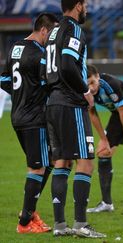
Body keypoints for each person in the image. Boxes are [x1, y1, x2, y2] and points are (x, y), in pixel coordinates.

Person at [45, 0, 105, 238]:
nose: (87, 9)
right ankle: (81, 223)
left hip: (53, 102)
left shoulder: (53, 32)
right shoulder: (73, 29)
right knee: (86, 161)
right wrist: (85, 92)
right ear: (78, 5)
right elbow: (69, 66)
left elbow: (47, 69)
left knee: (62, 162)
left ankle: (60, 225)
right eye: (86, 4)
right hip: (71, 103)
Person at [0, 12, 59, 234]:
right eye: (52, 32)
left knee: (49, 159)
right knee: (38, 166)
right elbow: (47, 84)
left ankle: (31, 211)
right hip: (35, 117)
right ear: (43, 30)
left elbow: (4, 79)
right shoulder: (41, 54)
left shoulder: (15, 48)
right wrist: (33, 96)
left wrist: (21, 95)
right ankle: (24, 221)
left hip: (18, 115)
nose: (53, 37)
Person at [85, 64, 123, 215]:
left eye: (92, 82)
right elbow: (92, 114)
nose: (91, 87)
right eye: (87, 84)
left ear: (98, 77)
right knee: (103, 152)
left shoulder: (110, 84)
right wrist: (104, 139)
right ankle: (107, 203)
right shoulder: (86, 91)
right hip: (118, 114)